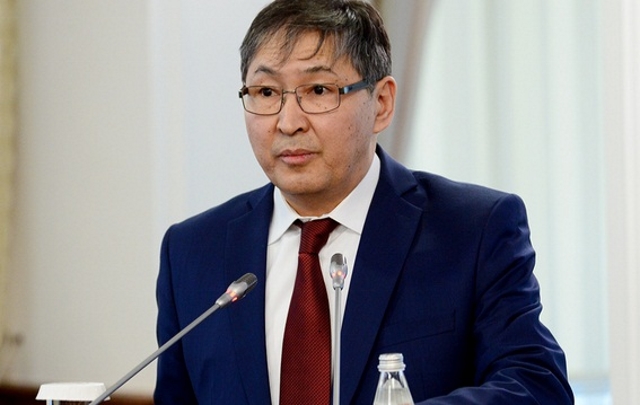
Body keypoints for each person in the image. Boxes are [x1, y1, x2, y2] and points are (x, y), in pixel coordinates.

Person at [154, 0, 574, 404]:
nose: (288, 122)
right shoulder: (192, 251)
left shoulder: (472, 230)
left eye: (319, 90)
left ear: (382, 104)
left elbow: (536, 386)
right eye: (265, 92)